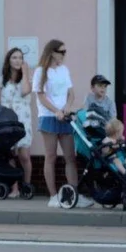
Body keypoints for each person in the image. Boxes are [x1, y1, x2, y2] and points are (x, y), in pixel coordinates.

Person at [33, 39, 88, 208]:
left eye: (65, 52)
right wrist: (55, 110)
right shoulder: (40, 71)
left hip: (64, 116)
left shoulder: (64, 70)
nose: (64, 55)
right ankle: (53, 196)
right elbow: (41, 96)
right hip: (48, 117)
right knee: (51, 156)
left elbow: (71, 93)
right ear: (52, 52)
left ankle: (74, 195)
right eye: (61, 52)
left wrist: (66, 108)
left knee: (70, 157)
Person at [0, 48, 34, 197]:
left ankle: (27, 185)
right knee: (10, 155)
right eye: (14, 57)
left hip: (23, 120)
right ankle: (14, 188)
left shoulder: (26, 79)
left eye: (20, 58)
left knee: (24, 155)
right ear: (8, 61)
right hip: (6, 120)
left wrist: (25, 72)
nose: (17, 60)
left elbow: (25, 91)